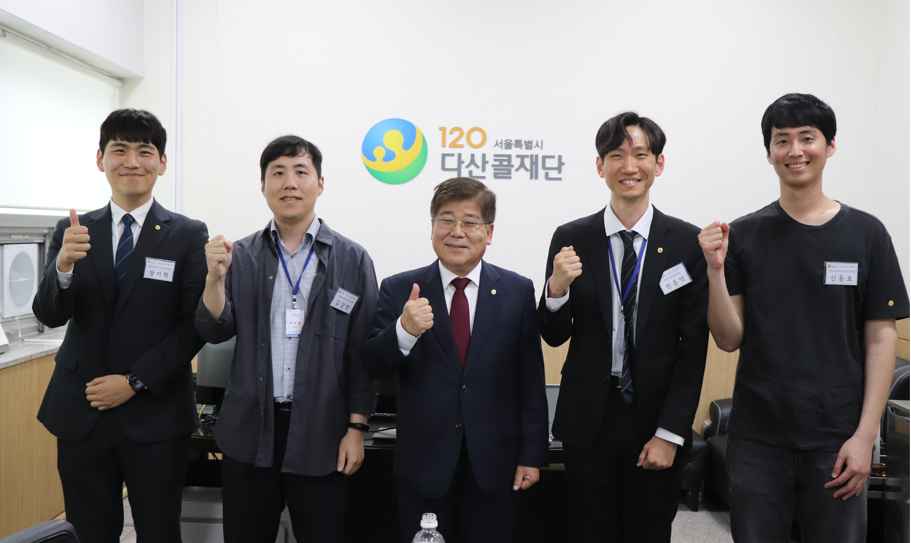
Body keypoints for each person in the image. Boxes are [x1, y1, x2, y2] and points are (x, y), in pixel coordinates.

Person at [698, 93, 910, 542]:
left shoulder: (867, 234)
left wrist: (865, 436)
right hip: (758, 437)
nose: (795, 151)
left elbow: (881, 339)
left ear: (829, 146)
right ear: (769, 153)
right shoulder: (744, 235)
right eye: (782, 140)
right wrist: (714, 271)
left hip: (838, 436)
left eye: (807, 138)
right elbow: (729, 338)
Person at [32, 109, 209, 542]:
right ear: (100, 159)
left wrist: (133, 381)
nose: (132, 161)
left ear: (161, 163)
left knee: (159, 532)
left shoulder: (188, 234)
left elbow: (193, 326)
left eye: (144, 151)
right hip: (82, 411)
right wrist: (63, 266)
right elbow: (49, 314)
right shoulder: (73, 229)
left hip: (156, 413)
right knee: (89, 532)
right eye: (119, 150)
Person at [195, 135, 378, 543]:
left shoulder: (352, 259)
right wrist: (214, 280)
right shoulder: (240, 255)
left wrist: (356, 428)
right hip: (249, 432)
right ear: (263, 186)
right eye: (278, 173)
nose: (289, 183)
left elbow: (361, 353)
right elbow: (213, 330)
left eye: (300, 172)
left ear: (320, 183)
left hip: (322, 433)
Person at [537, 112, 709, 542]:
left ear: (658, 163)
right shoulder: (572, 237)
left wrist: (670, 433)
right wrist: (555, 289)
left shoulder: (686, 243)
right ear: (600, 166)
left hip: (653, 418)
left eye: (640, 154)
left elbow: (692, 348)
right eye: (616, 155)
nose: (629, 166)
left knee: (648, 532)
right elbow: (554, 335)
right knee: (588, 531)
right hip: (588, 420)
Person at [363, 177, 549, 543]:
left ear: (489, 232)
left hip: (496, 463)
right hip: (424, 462)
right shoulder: (400, 289)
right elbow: (373, 364)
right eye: (446, 220)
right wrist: (404, 330)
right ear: (432, 227)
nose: (457, 232)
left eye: (470, 222)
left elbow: (530, 380)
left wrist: (532, 455)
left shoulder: (517, 290)